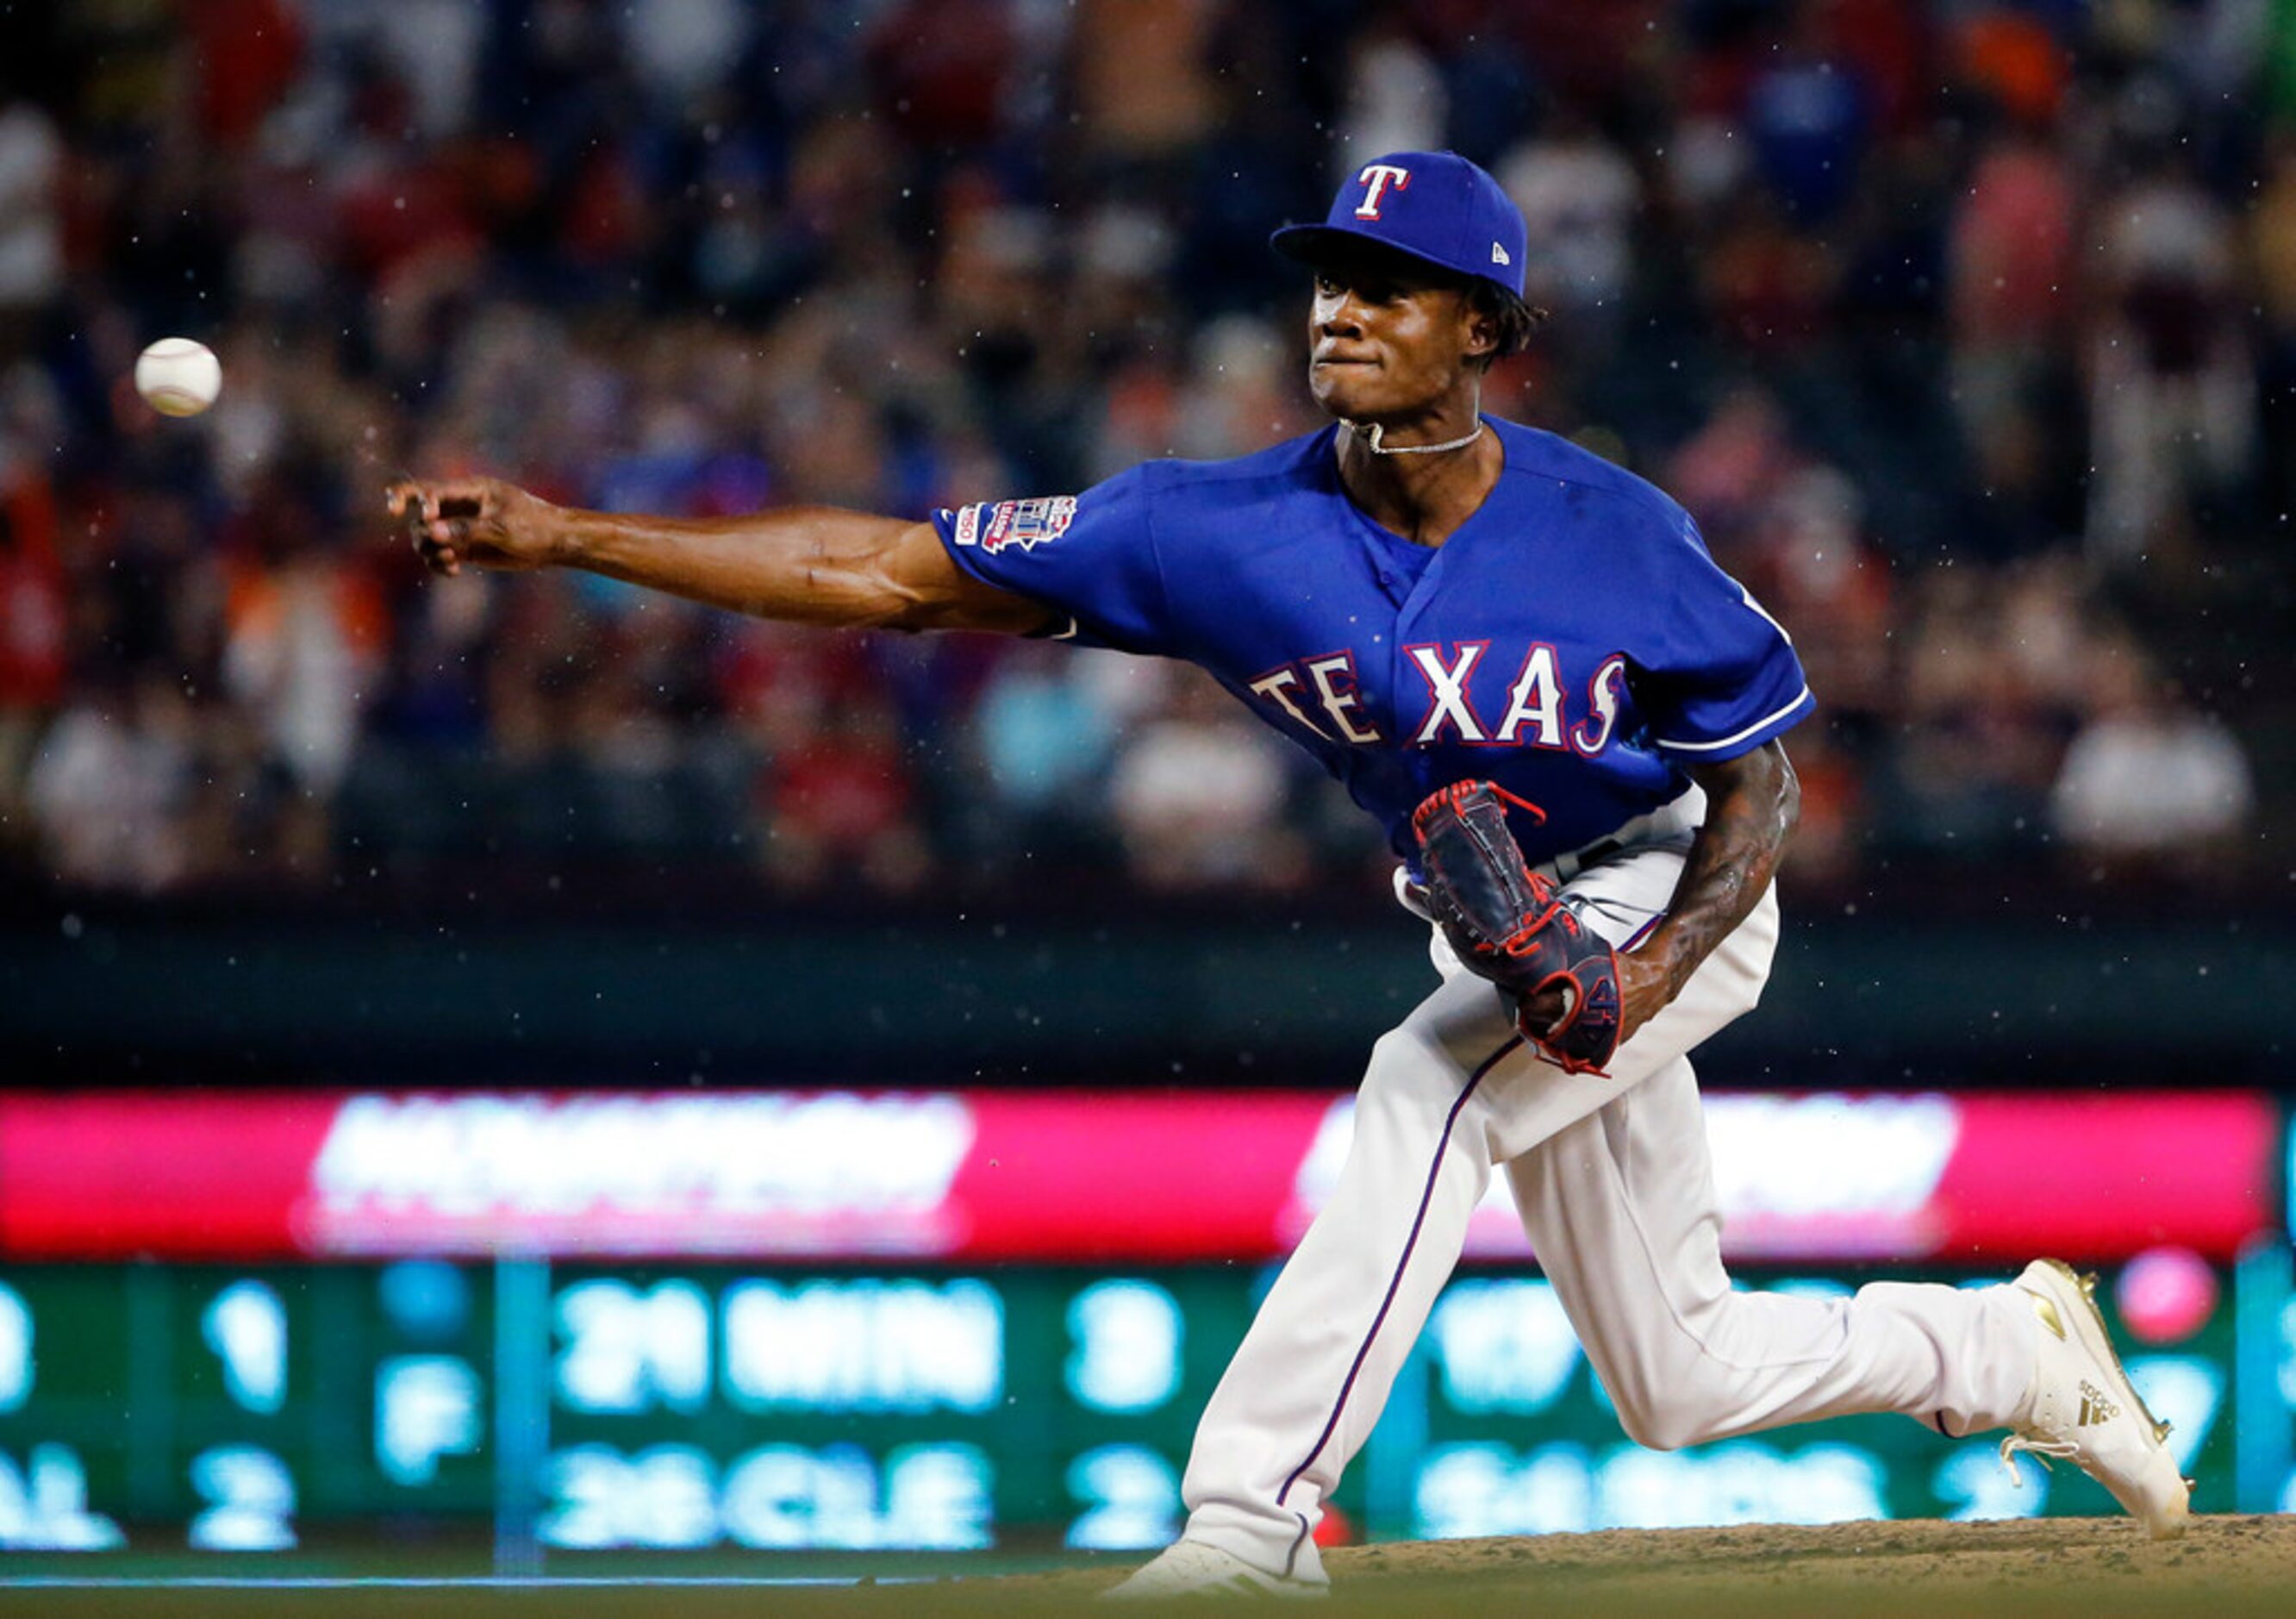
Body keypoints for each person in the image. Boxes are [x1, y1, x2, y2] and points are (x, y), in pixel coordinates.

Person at [392, 151, 2189, 1596]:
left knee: (1425, 1086)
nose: (1341, 307)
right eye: (1329, 276)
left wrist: (1643, 975)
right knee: (1679, 1376)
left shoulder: (1614, 533)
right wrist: (577, 538)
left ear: (1482, 325)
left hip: (1663, 895)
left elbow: (1765, 791)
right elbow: (889, 571)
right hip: (1515, 927)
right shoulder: (1211, 532)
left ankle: (1250, 1529)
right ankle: (2013, 1354)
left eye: (1388, 286)